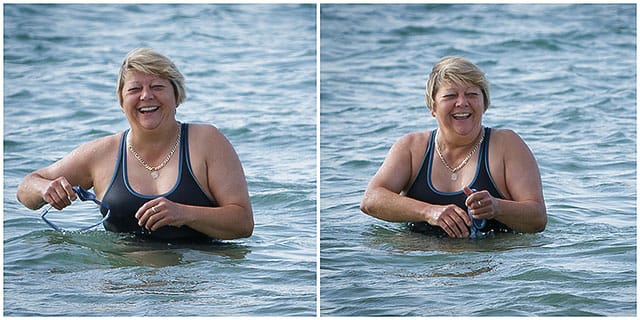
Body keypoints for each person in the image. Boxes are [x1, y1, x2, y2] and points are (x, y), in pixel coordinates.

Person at [17, 48, 253, 242]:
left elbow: (243, 224)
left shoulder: (207, 141)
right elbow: (27, 188)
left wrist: (185, 213)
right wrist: (44, 190)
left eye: (157, 87)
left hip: (197, 284)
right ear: (121, 100)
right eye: (135, 89)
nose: (146, 96)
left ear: (176, 94)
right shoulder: (101, 153)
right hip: (122, 286)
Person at [360, 56, 546, 238]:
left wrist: (497, 207)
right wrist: (429, 212)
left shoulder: (507, 144)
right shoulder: (411, 148)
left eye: (472, 94)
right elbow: (371, 200)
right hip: (422, 259)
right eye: (450, 95)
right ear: (433, 106)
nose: (462, 102)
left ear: (484, 103)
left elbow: (538, 218)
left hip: (490, 261)